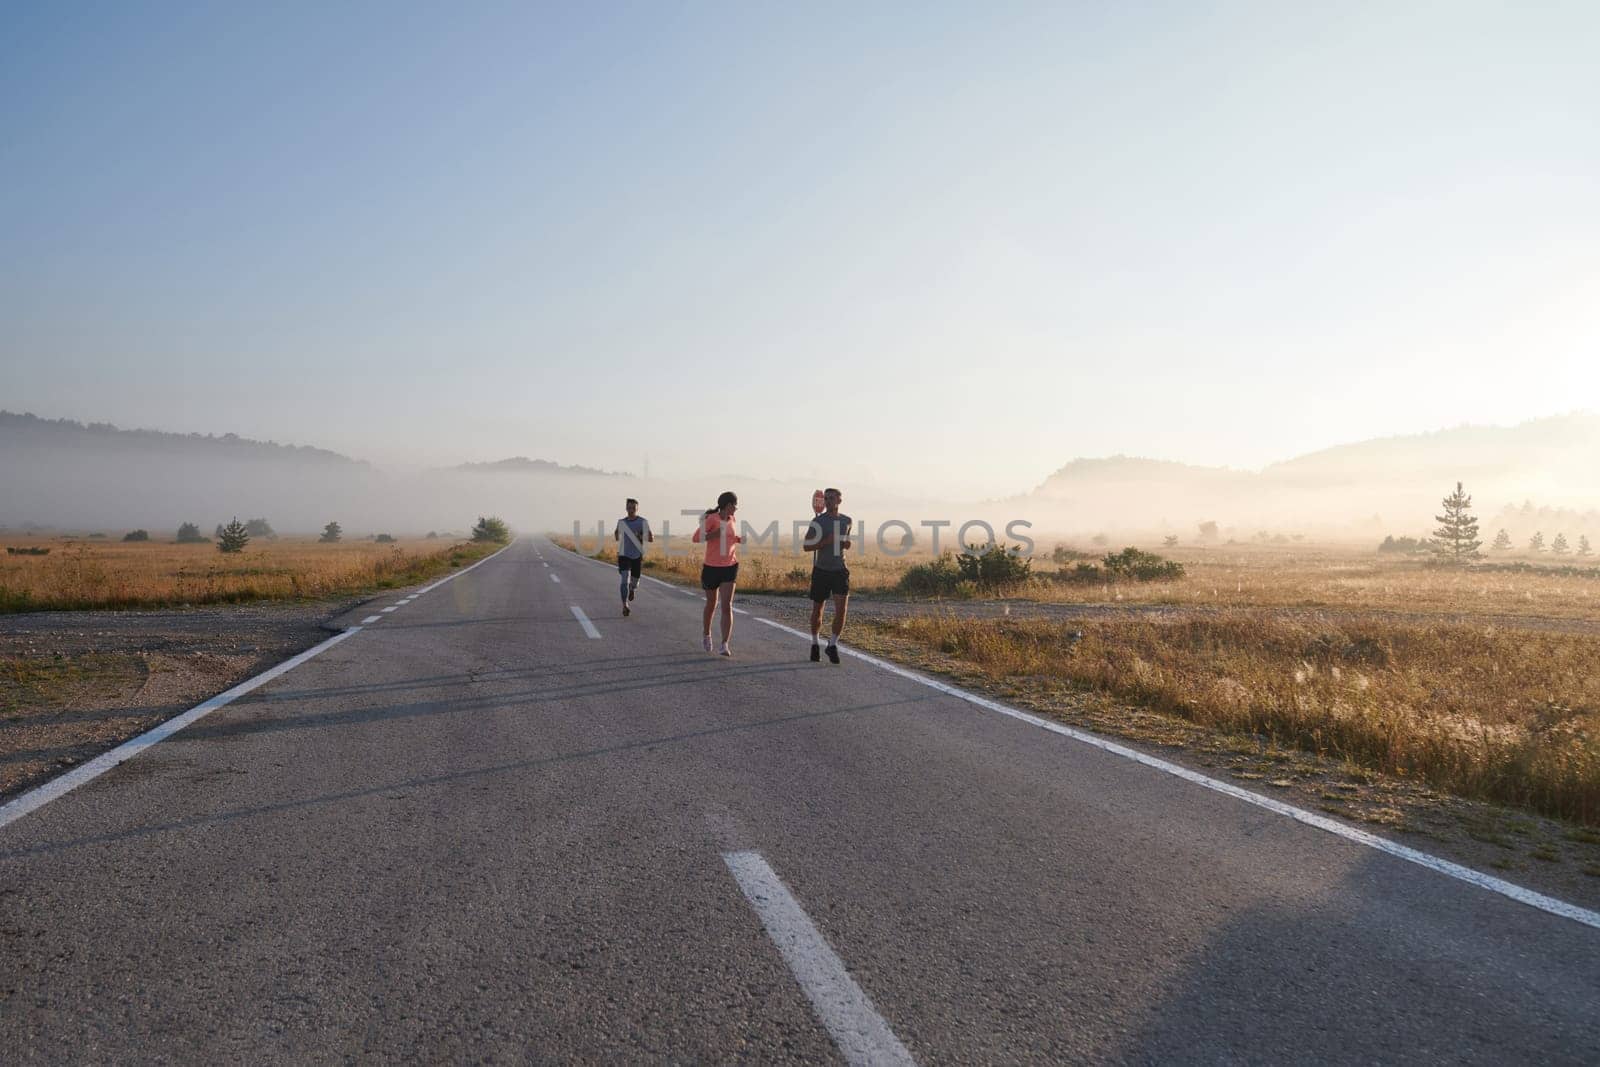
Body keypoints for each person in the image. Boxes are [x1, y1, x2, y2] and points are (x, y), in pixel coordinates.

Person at [803, 487, 851, 663]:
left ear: (839, 500)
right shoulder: (818, 521)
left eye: (832, 498)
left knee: (842, 610)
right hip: (822, 569)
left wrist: (846, 544)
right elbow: (806, 546)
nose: (829, 501)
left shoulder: (847, 521)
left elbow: (844, 543)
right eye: (827, 498)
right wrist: (825, 542)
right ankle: (815, 643)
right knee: (818, 610)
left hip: (840, 569)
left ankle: (832, 644)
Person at [691, 491, 741, 656]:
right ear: (728, 505)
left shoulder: (732, 519)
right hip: (711, 568)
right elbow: (696, 537)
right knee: (712, 604)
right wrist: (713, 534)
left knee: (727, 605)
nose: (736, 508)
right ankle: (707, 634)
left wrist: (738, 539)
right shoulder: (712, 519)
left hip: (730, 566)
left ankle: (725, 644)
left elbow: (729, 537)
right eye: (735, 505)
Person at [613, 498, 652, 617]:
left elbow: (651, 539)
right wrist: (617, 535)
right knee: (624, 579)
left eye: (633, 508)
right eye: (629, 508)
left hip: (637, 556)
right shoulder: (621, 522)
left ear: (637, 509)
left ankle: (632, 589)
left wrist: (641, 535)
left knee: (634, 583)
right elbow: (616, 535)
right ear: (626, 508)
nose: (631, 510)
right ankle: (625, 605)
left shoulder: (642, 522)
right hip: (624, 555)